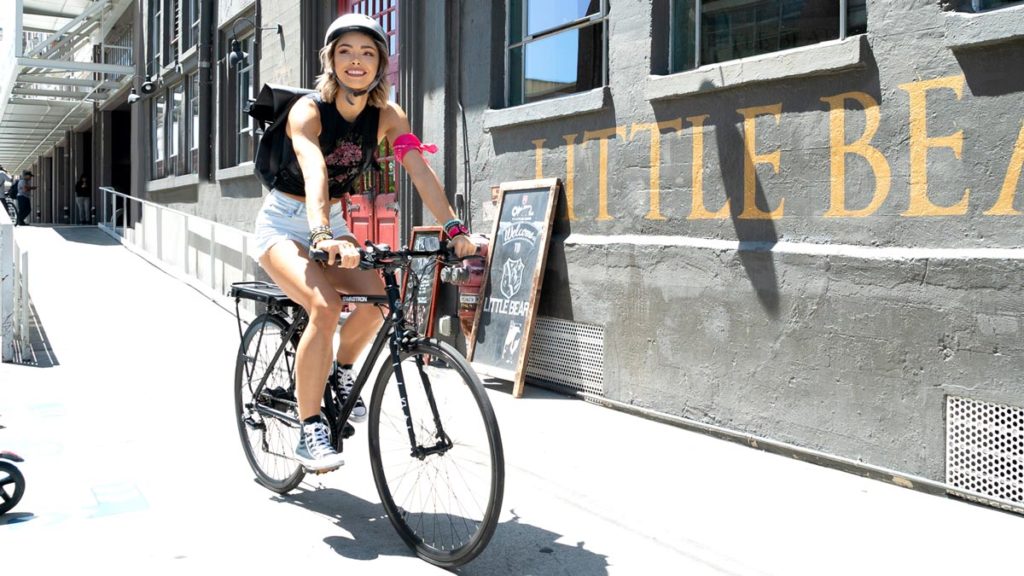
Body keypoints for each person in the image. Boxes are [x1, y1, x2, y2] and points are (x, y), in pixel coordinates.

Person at [252, 13, 476, 471]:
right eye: (346, 52)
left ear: (381, 65)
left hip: (331, 220)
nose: (357, 61)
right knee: (325, 305)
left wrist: (453, 228)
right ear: (331, 60)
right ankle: (310, 425)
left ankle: (340, 372)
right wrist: (319, 234)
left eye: (368, 53)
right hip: (285, 222)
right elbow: (314, 171)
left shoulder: (389, 116)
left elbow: (418, 169)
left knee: (379, 300)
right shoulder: (308, 111)